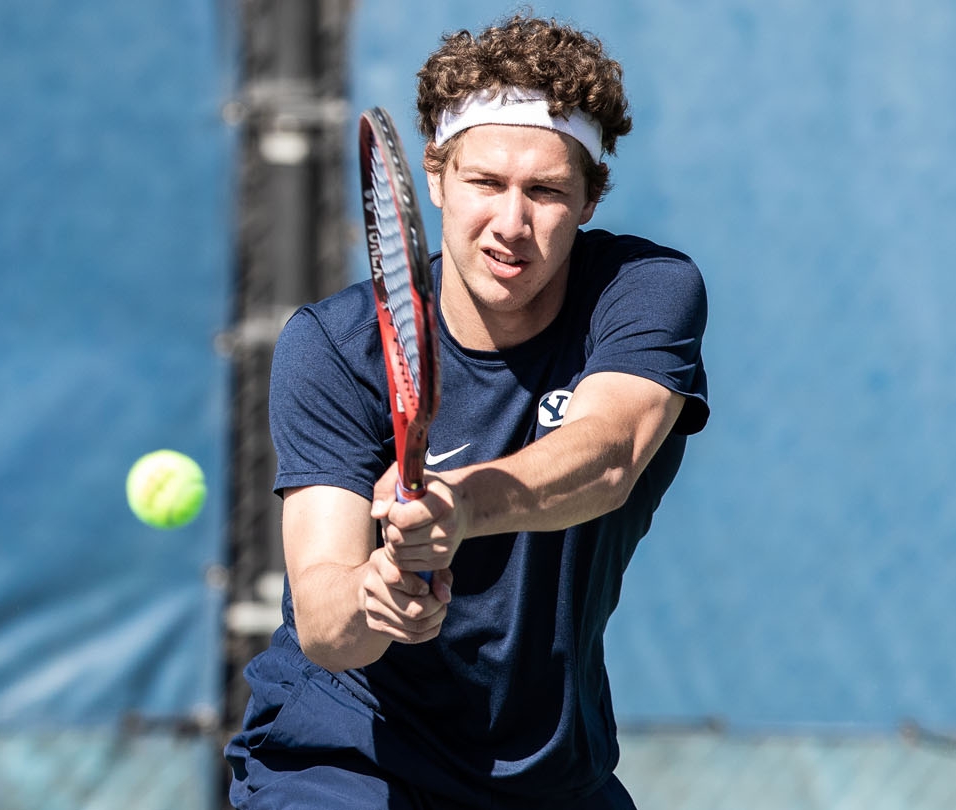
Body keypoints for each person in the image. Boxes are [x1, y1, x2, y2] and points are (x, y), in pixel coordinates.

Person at [225, 14, 709, 810]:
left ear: (590, 198)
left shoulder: (644, 293)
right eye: (486, 183)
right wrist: (374, 595)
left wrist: (459, 507)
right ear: (438, 178)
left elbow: (611, 452)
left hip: (549, 772)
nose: (511, 224)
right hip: (344, 763)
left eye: (547, 191)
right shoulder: (333, 347)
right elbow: (323, 616)